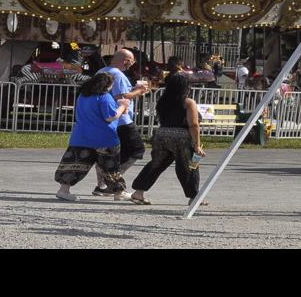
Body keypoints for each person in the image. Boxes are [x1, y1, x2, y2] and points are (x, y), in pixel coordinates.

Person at [128, 70, 206, 206]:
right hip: (182, 137)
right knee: (191, 166)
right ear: (186, 88)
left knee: (156, 164)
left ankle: (138, 192)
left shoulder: (163, 100)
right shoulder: (188, 102)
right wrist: (197, 145)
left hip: (162, 134)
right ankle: (194, 196)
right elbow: (193, 124)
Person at [54, 72, 130, 202]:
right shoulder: (105, 97)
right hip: (104, 138)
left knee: (74, 164)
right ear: (107, 85)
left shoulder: (83, 96)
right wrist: (123, 106)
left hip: (81, 137)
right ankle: (119, 192)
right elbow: (110, 116)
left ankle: (63, 190)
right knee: (110, 166)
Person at [94, 48, 152, 196]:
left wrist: (133, 90)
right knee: (136, 149)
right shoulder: (118, 75)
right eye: (131, 62)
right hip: (121, 119)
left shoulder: (101, 71)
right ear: (126, 61)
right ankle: (113, 179)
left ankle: (101, 185)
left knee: (108, 153)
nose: (132, 65)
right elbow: (121, 96)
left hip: (104, 118)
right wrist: (139, 90)